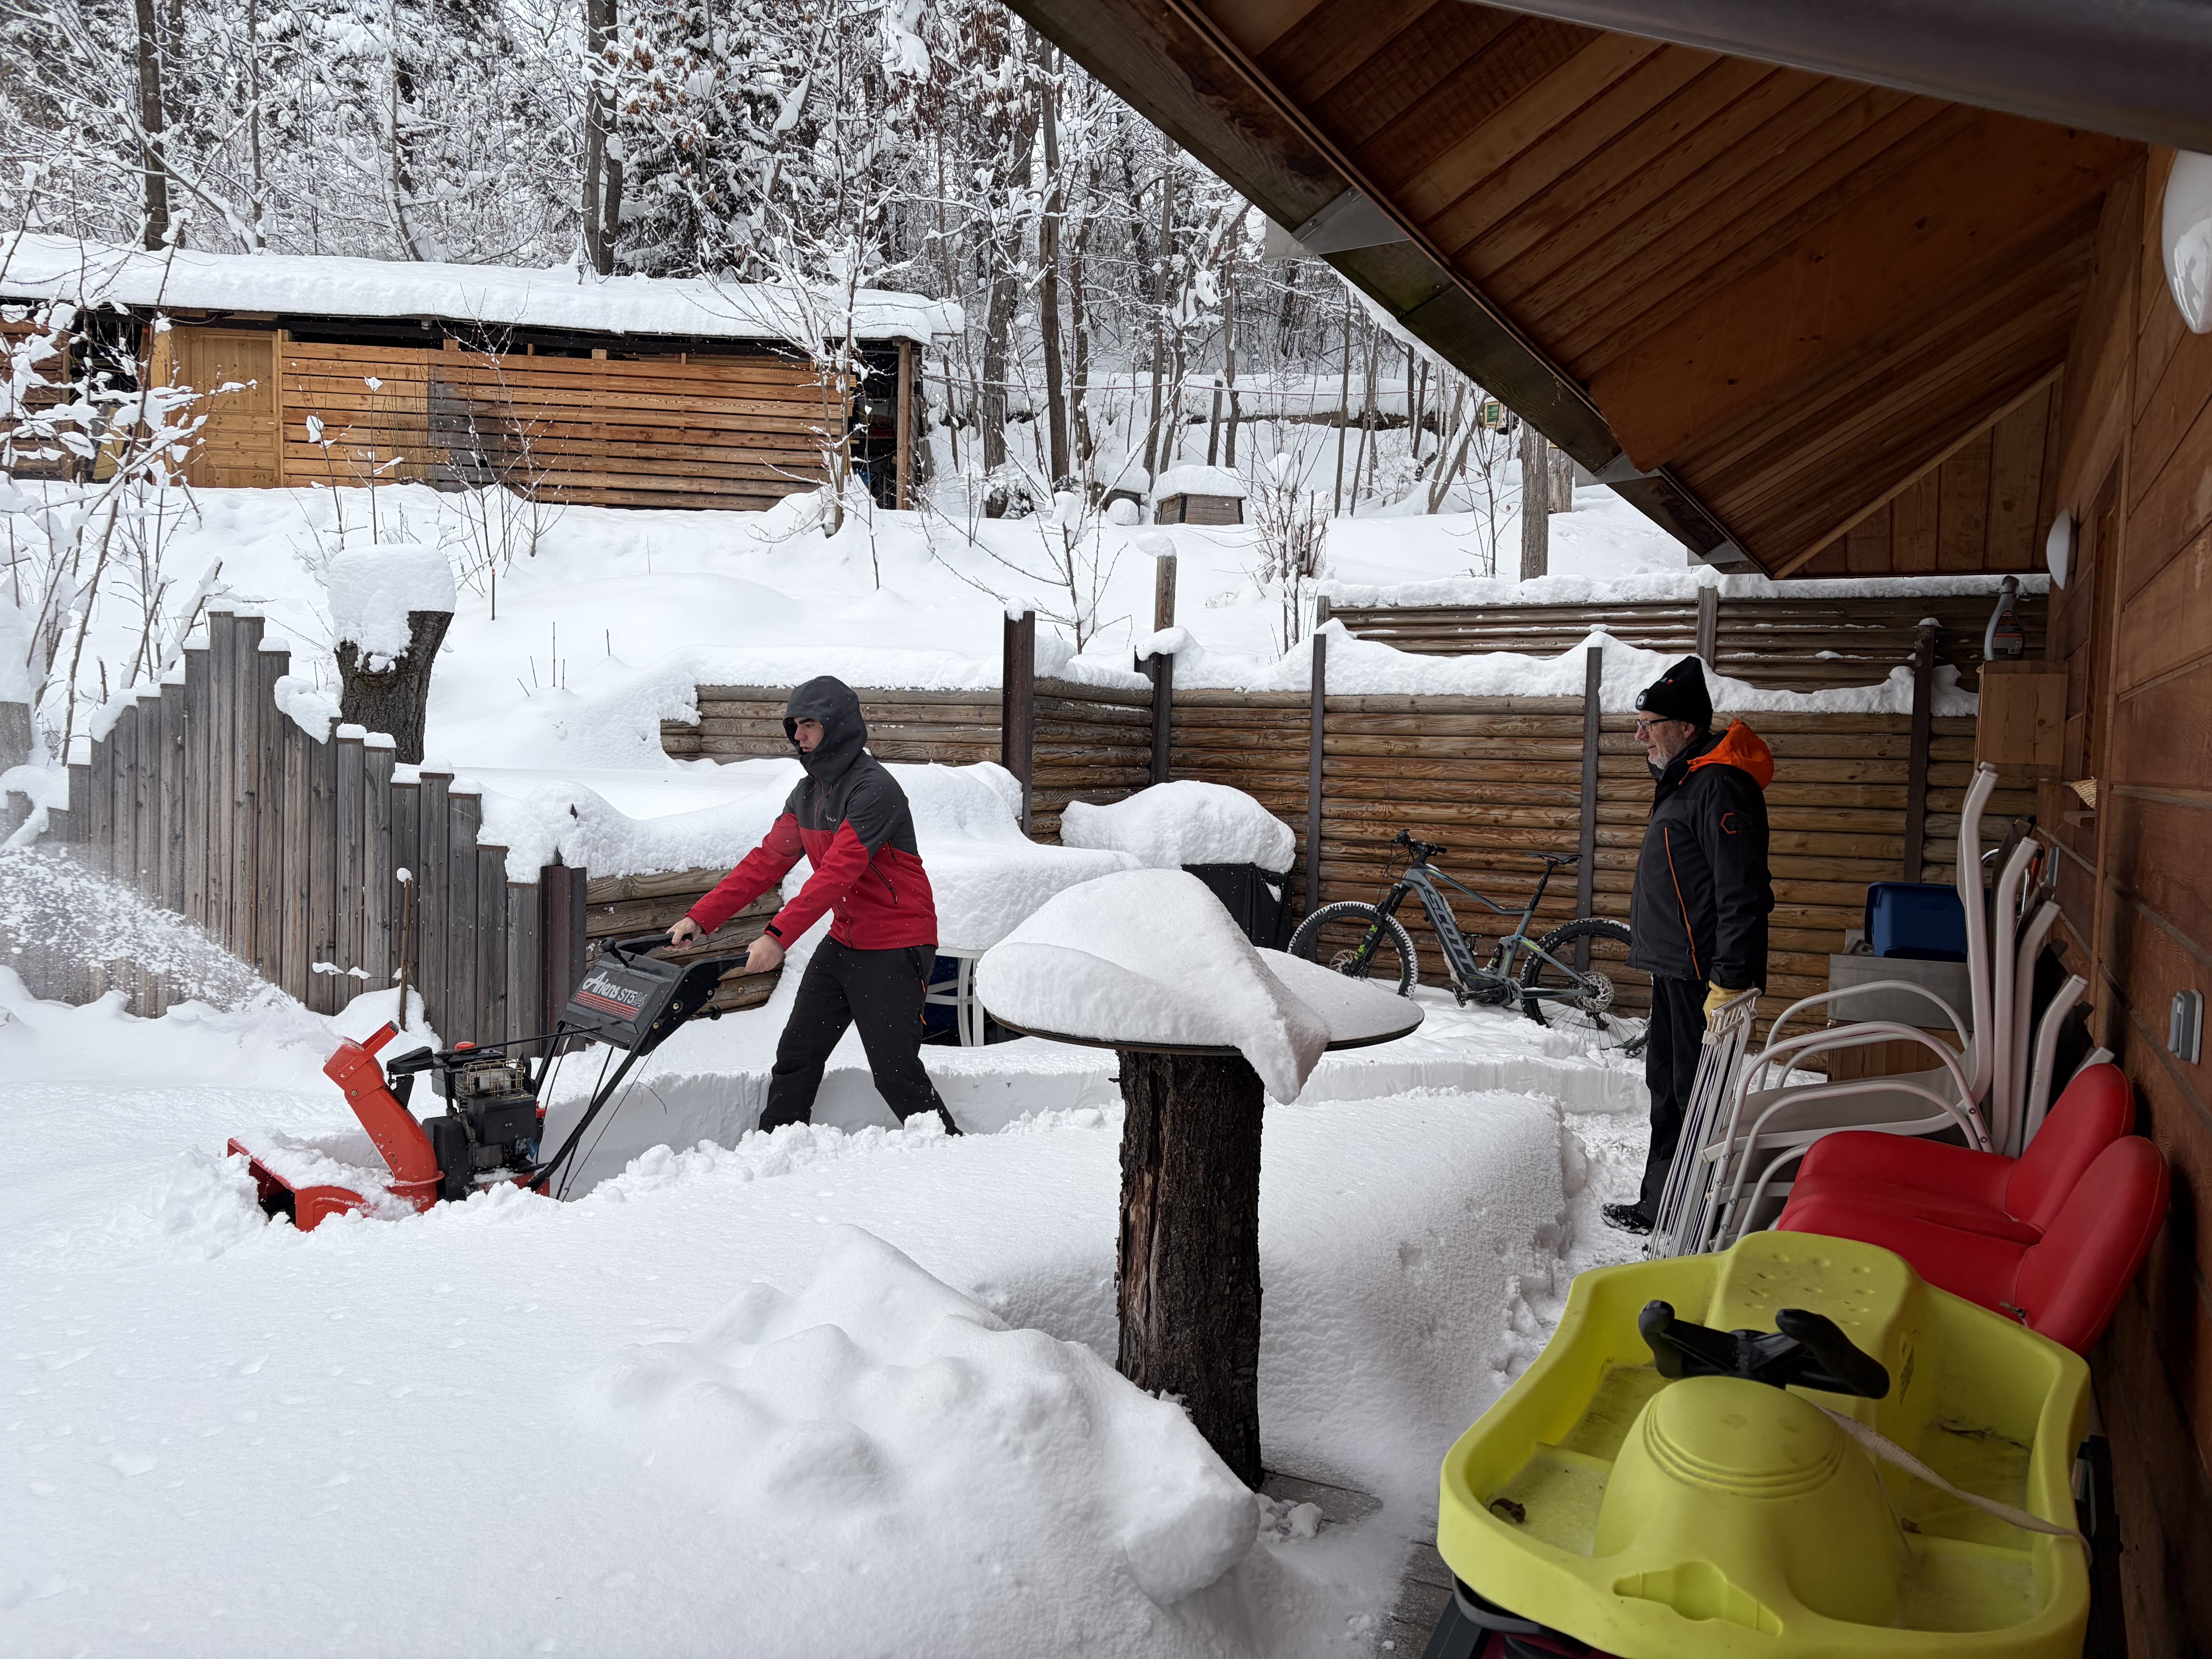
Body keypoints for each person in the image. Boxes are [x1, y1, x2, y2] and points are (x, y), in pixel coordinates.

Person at [668, 676, 960, 1136]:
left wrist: (777, 937)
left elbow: (836, 874)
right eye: (794, 726)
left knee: (895, 1073)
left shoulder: (875, 790)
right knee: (797, 1056)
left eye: (809, 725)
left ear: (838, 726)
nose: (798, 736)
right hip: (844, 941)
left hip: (894, 943)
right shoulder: (807, 794)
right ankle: (775, 1147)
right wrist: (701, 917)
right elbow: (766, 862)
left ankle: (955, 1157)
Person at [1604, 655, 1774, 1235]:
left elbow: (1742, 890)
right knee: (1670, 1090)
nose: (1640, 736)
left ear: (1685, 727)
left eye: (1648, 724)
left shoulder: (1719, 787)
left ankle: (1693, 1215)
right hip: (1676, 970)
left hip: (1705, 976)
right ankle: (1664, 1206)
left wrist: (1730, 980)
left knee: (1694, 1096)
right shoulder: (1688, 781)